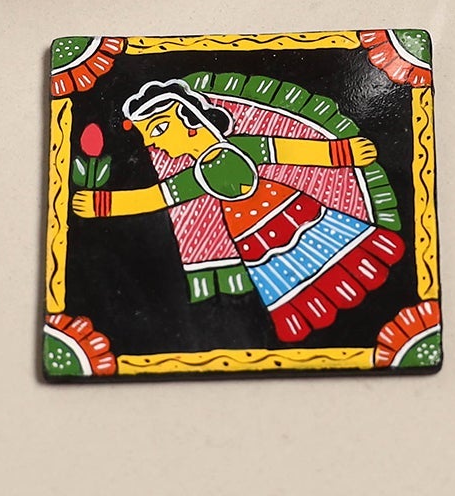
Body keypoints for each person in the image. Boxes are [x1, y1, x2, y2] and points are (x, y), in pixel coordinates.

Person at [70, 79, 402, 342]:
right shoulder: (194, 177)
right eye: (148, 137)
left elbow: (291, 151)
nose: (152, 144)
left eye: (157, 130)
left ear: (189, 120)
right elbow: (154, 198)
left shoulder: (242, 147)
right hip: (251, 235)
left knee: (329, 250)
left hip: (290, 209)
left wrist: (342, 153)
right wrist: (103, 206)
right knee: (288, 276)